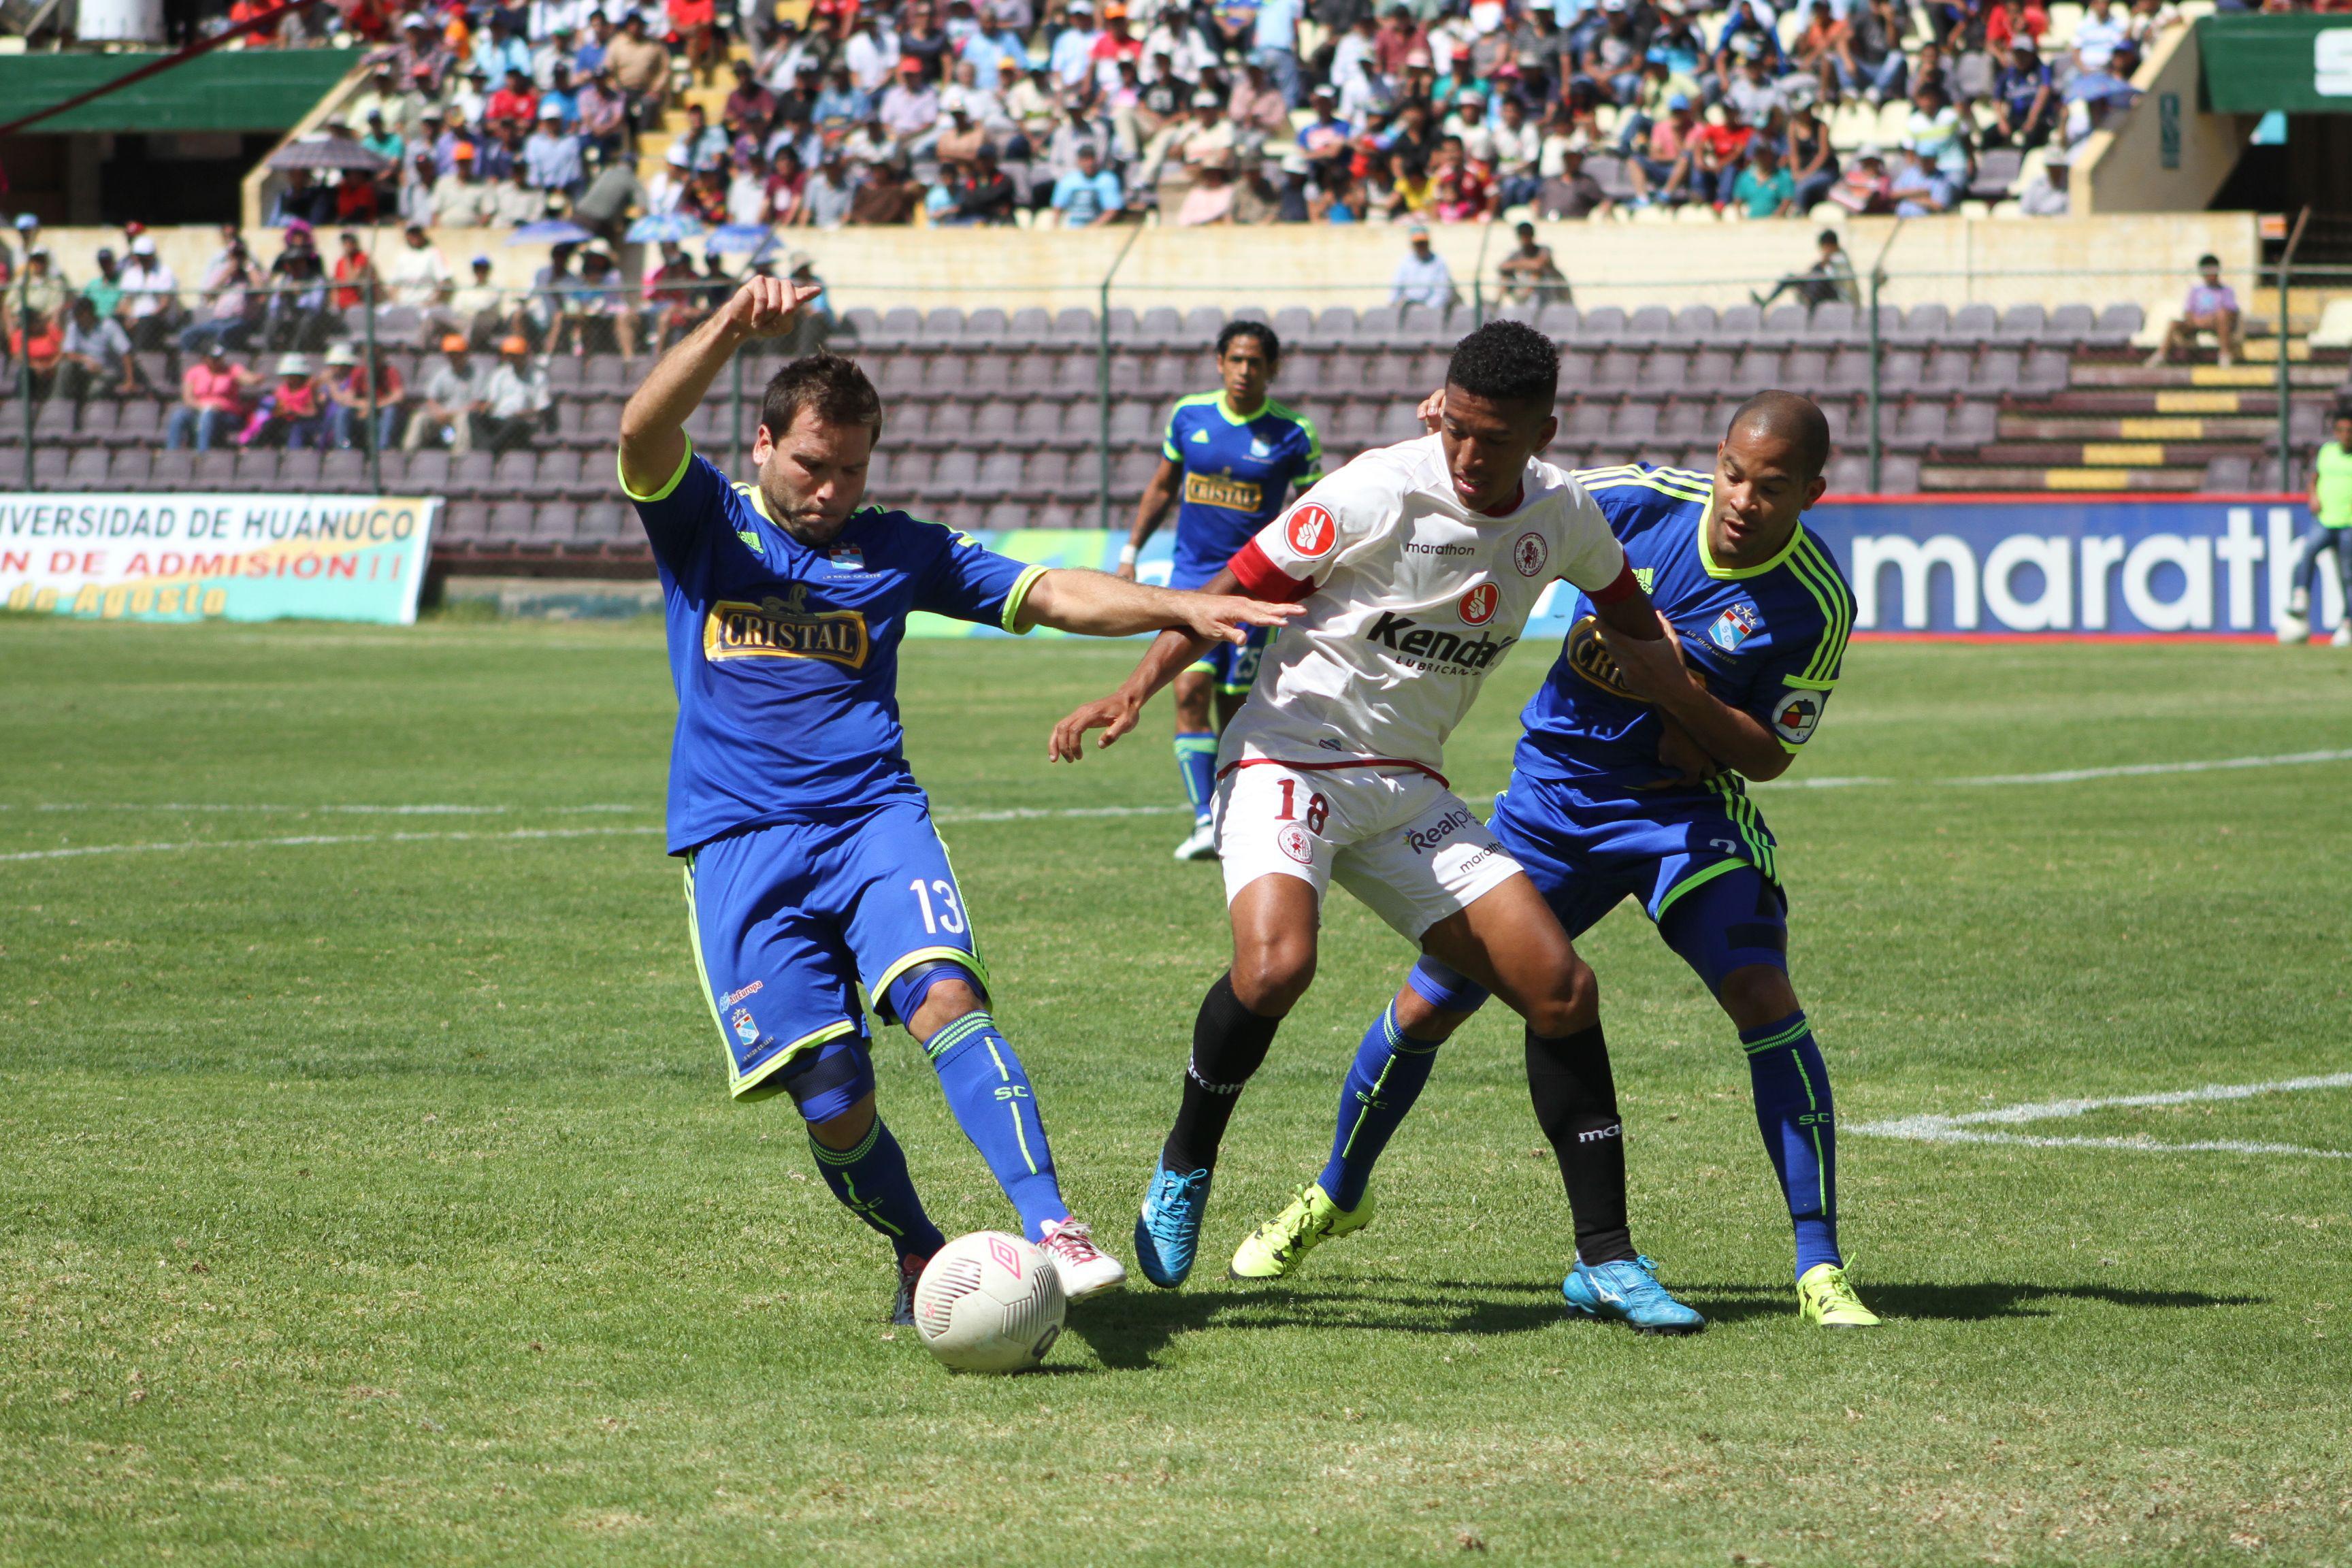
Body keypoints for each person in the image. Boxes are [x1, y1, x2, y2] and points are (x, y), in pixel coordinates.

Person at [615, 276, 1298, 1320]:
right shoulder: (704, 524)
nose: (833, 489)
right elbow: (642, 428)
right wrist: (727, 330)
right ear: (759, 446)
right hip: (738, 842)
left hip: (873, 823)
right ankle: (920, 1254)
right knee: (834, 1097)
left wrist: (1179, 604)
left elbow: (1049, 589)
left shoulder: (901, 547)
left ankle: (1053, 1225)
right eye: (812, 464)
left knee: (946, 998)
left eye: (852, 469)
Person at [1222, 392, 1878, 1332]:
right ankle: (1335, 1193)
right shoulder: (1637, 501)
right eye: (1734, 473)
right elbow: (1513, 483)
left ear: (1811, 494)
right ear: (1717, 458)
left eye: (1771, 489)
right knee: (1428, 1005)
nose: (1742, 499)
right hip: (1553, 803)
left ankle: (1819, 1267)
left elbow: (1769, 754)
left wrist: (1679, 697)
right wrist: (1448, 430)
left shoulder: (1813, 601)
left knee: (1762, 995)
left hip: (1680, 817)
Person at [1048, 322, 1680, 1292]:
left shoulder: (1565, 517)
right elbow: (1231, 593)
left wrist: (1701, 716)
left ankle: (1608, 1260)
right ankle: (1184, 1166)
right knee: (1277, 968)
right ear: (1441, 407)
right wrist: (1136, 690)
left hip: (1407, 787)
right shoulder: (1374, 490)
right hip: (1285, 757)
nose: (1470, 455)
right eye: (1458, 428)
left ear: (1544, 433)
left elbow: (1636, 625)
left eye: (1496, 439)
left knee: (1561, 988)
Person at [1113, 321, 1323, 862]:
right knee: (1188, 691)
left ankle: (1234, 812)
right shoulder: (1190, 417)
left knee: (1236, 707)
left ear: (1272, 369)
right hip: (1190, 584)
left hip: (1252, 587)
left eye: (1256, 362)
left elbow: (1316, 512)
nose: (1245, 371)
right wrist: (1132, 552)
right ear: (1220, 362)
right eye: (1236, 360)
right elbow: (1162, 486)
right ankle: (1204, 820)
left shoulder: (1295, 432)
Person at [2281, 410, 2352, 648]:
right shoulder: (2327, 452)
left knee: (2348, 577)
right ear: (2336, 432)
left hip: (2349, 525)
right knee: (2308, 551)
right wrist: (2313, 496)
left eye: (2350, 431)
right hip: (2325, 519)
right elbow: (2314, 479)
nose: (2346, 435)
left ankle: (2347, 625)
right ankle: (2301, 596)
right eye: (2342, 431)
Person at [403, 333, 492, 453]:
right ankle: (409, 452)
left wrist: (452, 414)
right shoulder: (442, 374)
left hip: (463, 414)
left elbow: (478, 404)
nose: (454, 357)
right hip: (442, 415)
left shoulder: (477, 374)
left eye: (457, 354)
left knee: (463, 419)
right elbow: (431, 399)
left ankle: (458, 456)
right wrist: (439, 412)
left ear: (465, 354)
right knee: (419, 418)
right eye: (450, 354)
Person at [164, 342, 262, 450]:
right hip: (200, 410)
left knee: (208, 415)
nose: (217, 362)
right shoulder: (194, 372)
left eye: (219, 358)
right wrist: (205, 407)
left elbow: (246, 378)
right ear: (204, 358)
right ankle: (172, 451)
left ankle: (202, 453)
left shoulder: (232, 370)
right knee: (179, 415)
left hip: (226, 415)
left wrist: (254, 379)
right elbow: (188, 399)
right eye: (213, 359)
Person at [2155, 254, 2242, 368]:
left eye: (2213, 270)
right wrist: (2196, 320)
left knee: (2222, 315)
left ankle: (2224, 354)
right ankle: (2161, 355)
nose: (2211, 274)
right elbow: (2187, 311)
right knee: (2174, 323)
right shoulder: (2195, 291)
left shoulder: (2226, 291)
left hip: (2216, 324)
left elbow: (2231, 312)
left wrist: (2211, 318)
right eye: (2207, 271)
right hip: (2196, 324)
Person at [54, 295, 139, 405]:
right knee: (65, 367)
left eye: (79, 314)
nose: (76, 317)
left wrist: (130, 381)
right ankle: (59, 404)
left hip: (106, 370)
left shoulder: (109, 326)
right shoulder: (73, 326)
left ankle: (89, 413)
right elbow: (68, 353)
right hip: (83, 369)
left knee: (96, 390)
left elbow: (126, 352)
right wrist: (85, 359)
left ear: (89, 313)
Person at [323, 340, 406, 451]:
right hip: (362, 414)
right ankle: (344, 447)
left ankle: (383, 448)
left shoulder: (391, 372)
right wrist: (364, 405)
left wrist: (375, 405)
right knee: (343, 412)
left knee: (390, 411)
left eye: (375, 357)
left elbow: (398, 396)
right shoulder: (359, 372)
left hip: (381, 413)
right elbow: (348, 399)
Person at [476, 334, 552, 452]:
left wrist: (522, 414)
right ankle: (488, 447)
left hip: (522, 421)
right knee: (473, 417)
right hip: (499, 418)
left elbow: (541, 408)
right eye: (510, 356)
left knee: (514, 423)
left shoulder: (538, 377)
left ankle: (487, 450)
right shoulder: (500, 374)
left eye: (516, 356)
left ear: (525, 355)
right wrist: (484, 409)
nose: (513, 359)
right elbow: (491, 402)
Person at [1496, 221, 1570, 306]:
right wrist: (1524, 264)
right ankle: (1497, 304)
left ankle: (1525, 298)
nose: (1524, 239)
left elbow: (1538, 265)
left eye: (1527, 236)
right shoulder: (1517, 254)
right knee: (1505, 276)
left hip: (1548, 293)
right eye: (1522, 236)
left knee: (1537, 274)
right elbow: (1502, 266)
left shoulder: (1544, 250)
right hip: (1525, 290)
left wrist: (1519, 264)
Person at [1388, 220, 1456, 311]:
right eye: (1418, 244)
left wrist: (1427, 309)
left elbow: (1442, 291)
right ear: (1413, 245)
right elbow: (1397, 287)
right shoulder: (1405, 262)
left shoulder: (1438, 262)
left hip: (1431, 309)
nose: (1421, 247)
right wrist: (1393, 304)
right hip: (1409, 307)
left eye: (1423, 243)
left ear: (1428, 243)